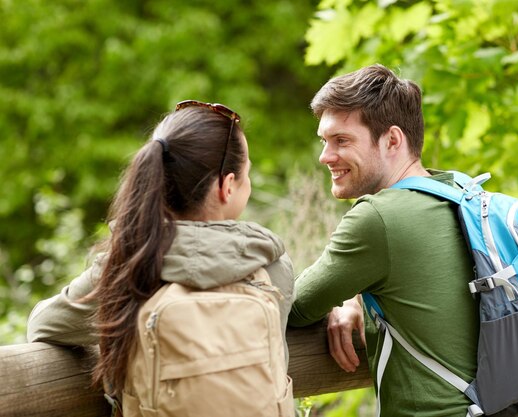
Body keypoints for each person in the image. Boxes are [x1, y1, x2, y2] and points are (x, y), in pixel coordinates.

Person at [27, 100, 294, 415]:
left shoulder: (129, 263)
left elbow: (43, 326)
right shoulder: (270, 264)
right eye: (246, 174)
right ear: (227, 187)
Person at [288, 64, 479, 417]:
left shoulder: (378, 217)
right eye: (324, 141)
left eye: (341, 140)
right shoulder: (459, 192)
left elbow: (295, 307)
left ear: (392, 140)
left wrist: (339, 299)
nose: (324, 156)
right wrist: (356, 297)